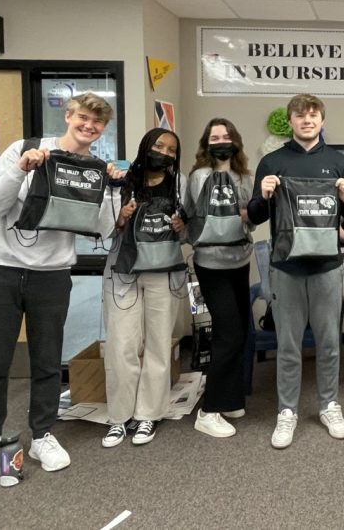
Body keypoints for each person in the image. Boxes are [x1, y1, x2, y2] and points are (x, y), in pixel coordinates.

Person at [0, 92, 117, 479]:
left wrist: (113, 189)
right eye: (83, 117)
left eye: (97, 122)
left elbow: (102, 228)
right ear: (68, 116)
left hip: (52, 272)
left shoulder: (93, 168)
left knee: (47, 359)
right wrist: (21, 168)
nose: (89, 126)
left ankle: (42, 434)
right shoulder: (26, 148)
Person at [247, 94, 344, 449]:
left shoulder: (338, 162)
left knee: (329, 343)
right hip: (286, 267)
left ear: (322, 120)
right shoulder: (272, 161)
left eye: (313, 115)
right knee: (289, 345)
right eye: (300, 115)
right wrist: (262, 196)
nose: (307, 120)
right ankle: (287, 411)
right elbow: (254, 216)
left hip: (328, 266)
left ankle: (329, 404)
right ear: (291, 121)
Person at [101, 127, 187, 448]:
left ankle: (148, 413)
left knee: (158, 343)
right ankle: (119, 417)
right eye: (159, 145)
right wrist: (119, 218)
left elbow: (190, 230)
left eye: (171, 149)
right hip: (123, 272)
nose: (164, 152)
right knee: (121, 344)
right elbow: (101, 229)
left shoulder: (181, 184)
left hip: (163, 272)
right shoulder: (122, 180)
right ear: (146, 145)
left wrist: (182, 228)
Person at [184, 118, 254, 438]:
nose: (221, 141)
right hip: (211, 263)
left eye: (226, 136)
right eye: (215, 137)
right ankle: (209, 410)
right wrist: (237, 212)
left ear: (235, 140)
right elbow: (204, 214)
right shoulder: (200, 176)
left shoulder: (244, 177)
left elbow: (249, 219)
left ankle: (229, 398)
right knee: (229, 334)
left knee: (241, 331)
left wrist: (246, 213)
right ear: (207, 144)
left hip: (239, 261)